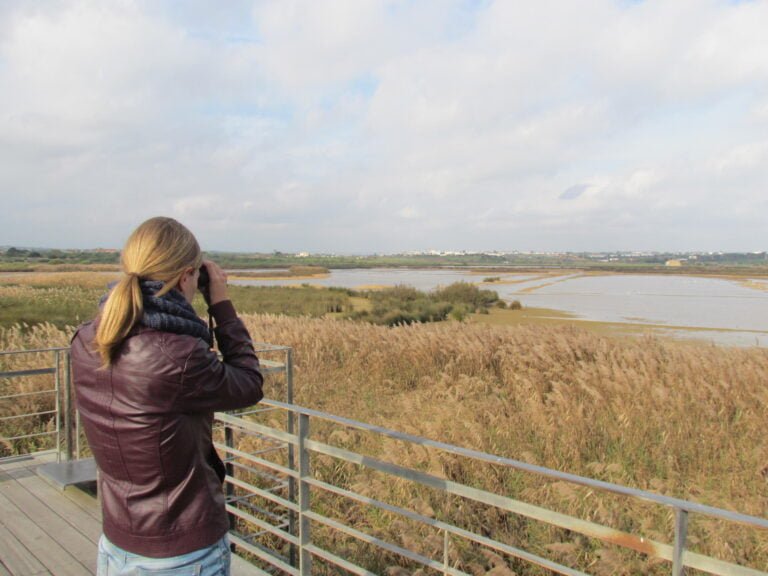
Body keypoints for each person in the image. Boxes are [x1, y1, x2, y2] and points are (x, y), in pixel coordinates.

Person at [70, 216, 263, 575]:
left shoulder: (87, 339)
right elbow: (249, 383)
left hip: (118, 541)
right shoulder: (179, 356)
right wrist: (221, 304)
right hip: (180, 550)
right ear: (188, 276)